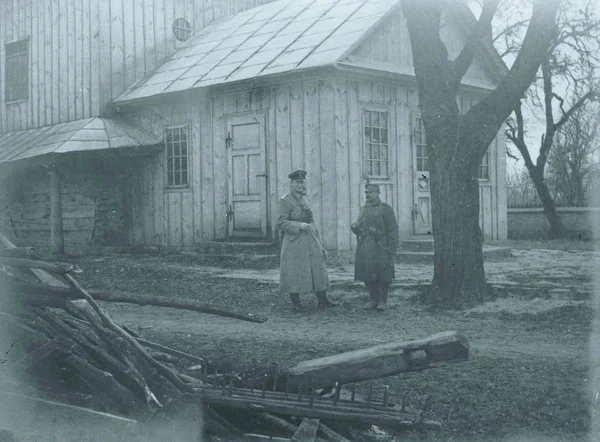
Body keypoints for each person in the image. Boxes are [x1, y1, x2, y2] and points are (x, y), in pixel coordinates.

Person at [276, 170, 336, 312]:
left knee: (318, 268)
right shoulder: (285, 201)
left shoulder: (306, 199)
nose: (300, 185)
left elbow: (312, 221)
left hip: (310, 239)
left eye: (302, 182)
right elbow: (280, 223)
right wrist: (298, 226)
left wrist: (320, 245)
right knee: (293, 271)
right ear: (291, 184)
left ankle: (323, 300)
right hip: (293, 241)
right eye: (297, 182)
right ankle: (296, 303)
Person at [351, 183, 399, 311]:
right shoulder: (364, 209)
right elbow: (359, 225)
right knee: (368, 272)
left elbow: (393, 230)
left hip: (382, 246)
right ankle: (373, 298)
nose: (367, 195)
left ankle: (383, 300)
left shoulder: (385, 209)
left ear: (378, 193)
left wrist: (391, 249)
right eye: (366, 192)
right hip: (366, 246)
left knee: (383, 273)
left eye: (370, 192)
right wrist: (355, 227)